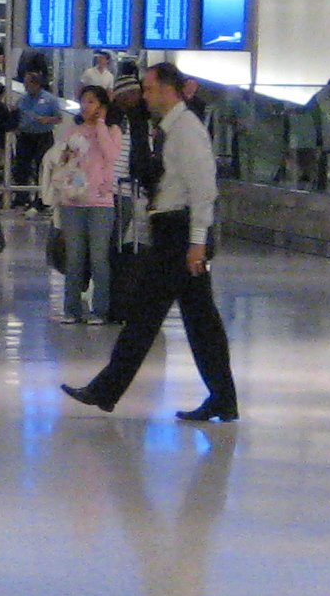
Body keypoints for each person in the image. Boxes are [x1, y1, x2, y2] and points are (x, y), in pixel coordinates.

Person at [62, 61, 238, 422]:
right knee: (201, 321)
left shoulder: (187, 131)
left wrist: (197, 243)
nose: (145, 95)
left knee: (145, 315)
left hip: (179, 234)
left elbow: (204, 191)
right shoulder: (169, 129)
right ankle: (223, 397)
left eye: (149, 89)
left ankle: (106, 389)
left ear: (169, 90)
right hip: (173, 231)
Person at [45, 80, 122, 323]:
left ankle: (100, 309)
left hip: (101, 201)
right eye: (83, 101)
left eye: (91, 102)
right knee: (74, 255)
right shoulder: (72, 131)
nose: (85, 106)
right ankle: (71, 308)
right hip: (72, 200)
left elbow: (111, 155)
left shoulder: (112, 130)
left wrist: (100, 123)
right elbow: (61, 159)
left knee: (99, 257)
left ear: (102, 105)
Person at [10, 61, 63, 207]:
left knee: (43, 167)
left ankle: (42, 199)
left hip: (43, 136)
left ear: (36, 84)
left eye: (28, 83)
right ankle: (21, 196)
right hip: (26, 136)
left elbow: (59, 118)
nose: (26, 86)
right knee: (21, 167)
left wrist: (47, 119)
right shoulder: (23, 99)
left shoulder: (50, 99)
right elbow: (17, 114)